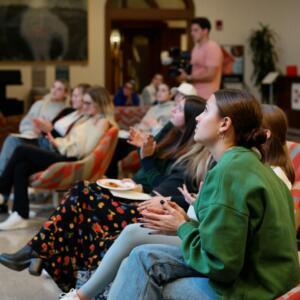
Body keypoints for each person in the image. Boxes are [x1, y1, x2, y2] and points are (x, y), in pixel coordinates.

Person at [57, 104, 296, 300]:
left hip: (250, 286)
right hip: (253, 273)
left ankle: (81, 292)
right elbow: (223, 240)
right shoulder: (242, 165)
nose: (198, 118)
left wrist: (181, 225)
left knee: (142, 259)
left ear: (225, 124)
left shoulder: (232, 171)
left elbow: (222, 262)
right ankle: (80, 289)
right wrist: (184, 217)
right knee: (137, 252)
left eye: (206, 111)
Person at [0, 96, 207, 293]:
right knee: (82, 191)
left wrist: (144, 166)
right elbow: (156, 180)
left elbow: (160, 188)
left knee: (83, 193)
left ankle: (42, 252)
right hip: (148, 200)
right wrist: (145, 160)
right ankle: (41, 252)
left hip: (153, 209)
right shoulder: (175, 140)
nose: (173, 109)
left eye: (179, 108)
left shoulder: (191, 157)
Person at [0, 85, 114, 231]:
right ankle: (20, 214)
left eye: (87, 103)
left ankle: (2, 186)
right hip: (64, 153)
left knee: (21, 150)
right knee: (22, 165)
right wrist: (57, 142)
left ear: (99, 103)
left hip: (71, 160)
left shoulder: (101, 122)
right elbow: (73, 141)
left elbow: (82, 149)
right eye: (84, 102)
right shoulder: (89, 118)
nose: (83, 106)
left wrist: (60, 144)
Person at [0, 83, 90, 214]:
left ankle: (2, 190)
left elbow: (68, 142)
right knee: (20, 163)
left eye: (76, 96)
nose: (73, 98)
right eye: (73, 95)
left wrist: (50, 130)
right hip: (44, 142)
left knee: (21, 149)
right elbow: (49, 129)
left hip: (57, 151)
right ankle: (20, 214)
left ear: (85, 99)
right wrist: (42, 129)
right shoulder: (68, 112)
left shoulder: (83, 120)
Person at [106, 82, 197, 178]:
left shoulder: (174, 114)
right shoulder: (156, 108)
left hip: (150, 140)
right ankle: (110, 179)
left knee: (117, 146)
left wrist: (153, 127)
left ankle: (111, 179)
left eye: (182, 95)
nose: (178, 97)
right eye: (177, 94)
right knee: (115, 143)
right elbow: (144, 125)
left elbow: (162, 136)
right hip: (140, 136)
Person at [0, 79, 69, 175]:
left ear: (65, 93)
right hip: (31, 136)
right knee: (11, 139)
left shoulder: (65, 111)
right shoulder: (39, 104)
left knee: (21, 149)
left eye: (59, 89)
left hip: (47, 142)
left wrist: (44, 130)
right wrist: (32, 130)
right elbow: (25, 123)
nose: (54, 91)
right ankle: (2, 175)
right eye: (53, 87)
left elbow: (60, 132)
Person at [177, 17, 223, 100]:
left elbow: (210, 75)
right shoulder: (196, 47)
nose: (192, 33)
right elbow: (194, 70)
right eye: (191, 30)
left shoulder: (212, 47)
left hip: (207, 97)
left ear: (205, 31)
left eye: (195, 30)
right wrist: (183, 74)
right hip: (195, 94)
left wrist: (188, 77)